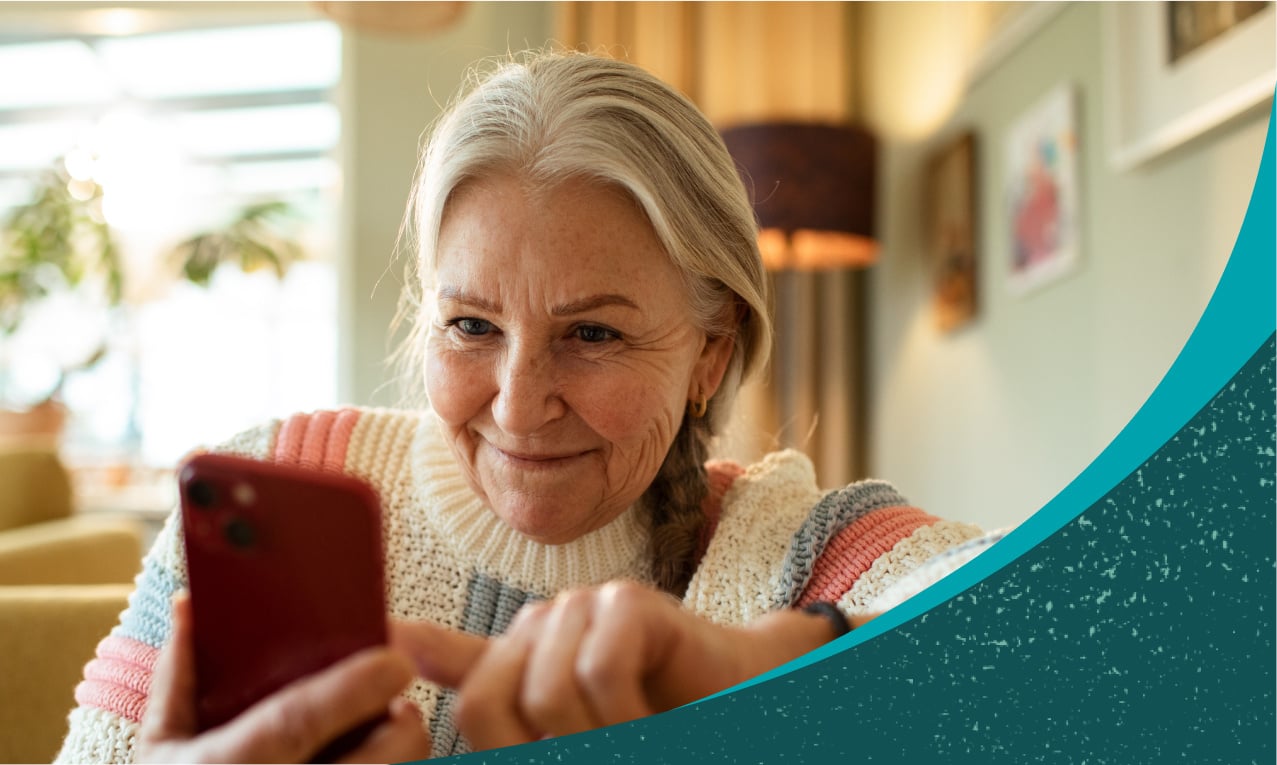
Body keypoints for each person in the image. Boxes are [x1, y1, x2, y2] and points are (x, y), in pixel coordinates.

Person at [55, 50, 991, 763]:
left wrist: (792, 670)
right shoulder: (279, 481)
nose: (517, 403)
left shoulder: (801, 551)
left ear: (710, 352)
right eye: (470, 325)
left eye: (593, 335)